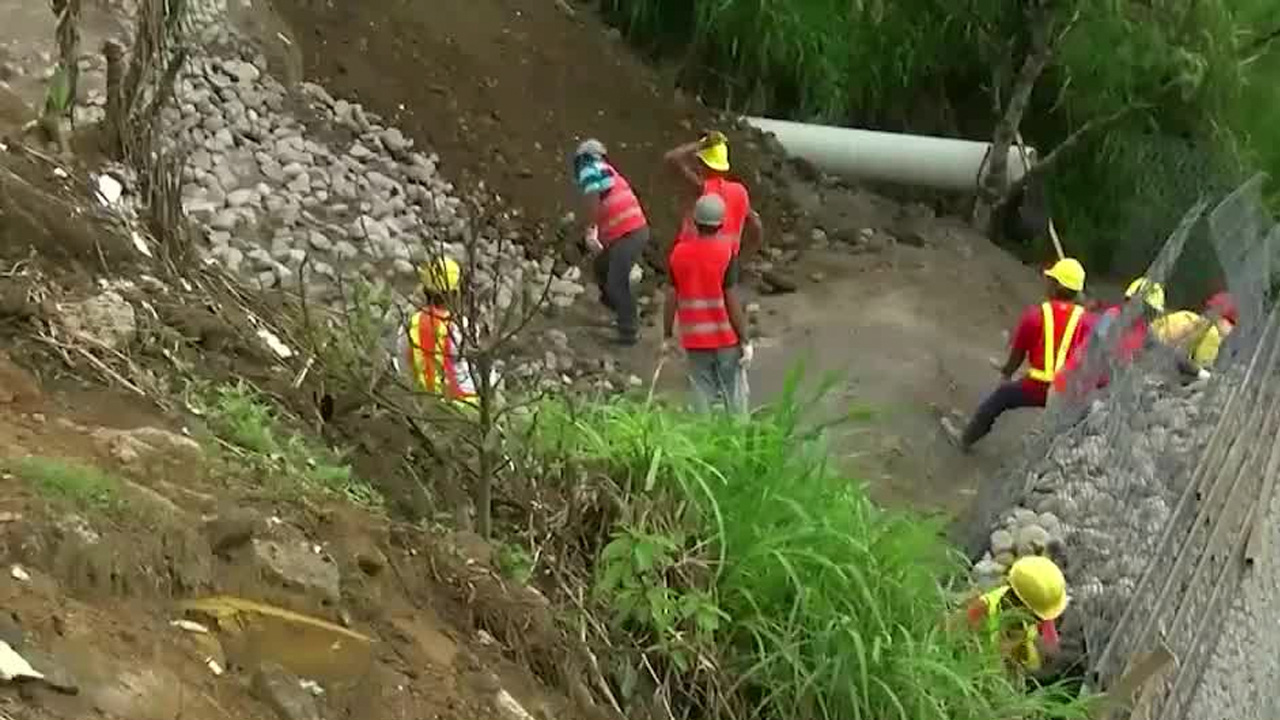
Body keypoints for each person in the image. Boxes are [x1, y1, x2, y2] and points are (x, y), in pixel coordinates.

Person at [944, 258, 1092, 451]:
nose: (1046, 283)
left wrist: (1006, 372)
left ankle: (965, 439)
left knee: (1001, 397)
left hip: (1038, 386)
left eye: (1051, 280)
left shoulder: (1035, 316)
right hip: (1068, 389)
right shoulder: (1088, 321)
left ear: (1056, 287)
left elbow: (1017, 355)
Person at [663, 193, 753, 414]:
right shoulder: (725, 253)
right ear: (721, 224)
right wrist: (745, 338)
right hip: (725, 339)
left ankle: (703, 442)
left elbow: (671, 296)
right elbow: (731, 299)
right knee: (734, 393)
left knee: (701, 392)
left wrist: (667, 333)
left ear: (695, 221)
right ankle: (736, 441)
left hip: (695, 340)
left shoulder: (678, 253)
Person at [573, 138, 650, 346]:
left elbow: (593, 200)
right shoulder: (609, 171)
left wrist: (590, 228)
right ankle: (623, 313)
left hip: (628, 234)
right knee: (601, 267)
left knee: (616, 282)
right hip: (634, 231)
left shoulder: (590, 169)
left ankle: (629, 332)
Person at [664, 130, 764, 258]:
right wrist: (742, 257)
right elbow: (756, 226)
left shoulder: (701, 188)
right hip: (726, 260)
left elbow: (672, 158)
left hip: (696, 257)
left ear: (703, 165)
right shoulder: (740, 192)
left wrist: (704, 144)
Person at [960, 555, 1068, 674]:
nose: (1041, 620)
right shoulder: (979, 611)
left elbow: (1052, 646)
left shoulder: (1039, 606)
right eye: (1037, 617)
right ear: (1023, 607)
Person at [394, 257, 478, 406]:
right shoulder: (461, 328)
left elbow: (404, 367)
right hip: (462, 405)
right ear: (455, 294)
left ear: (425, 291)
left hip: (423, 401)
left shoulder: (409, 325)